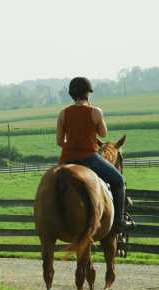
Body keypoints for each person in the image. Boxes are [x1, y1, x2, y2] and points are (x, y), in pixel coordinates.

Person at [56, 77, 134, 233]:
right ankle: (119, 222)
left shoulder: (63, 114)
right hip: (89, 158)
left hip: (66, 159)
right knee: (119, 181)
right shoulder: (95, 111)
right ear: (88, 94)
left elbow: (59, 141)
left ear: (72, 94)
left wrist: (72, 146)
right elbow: (103, 134)